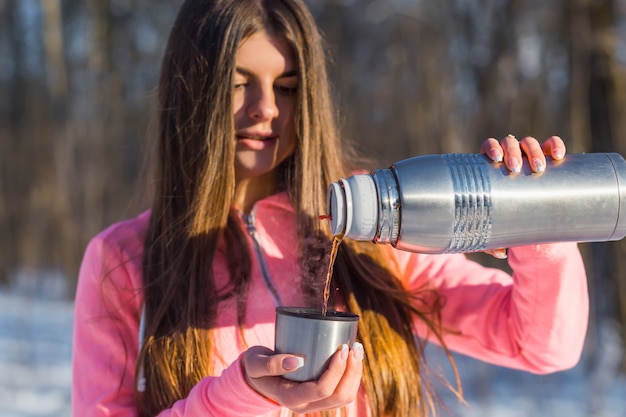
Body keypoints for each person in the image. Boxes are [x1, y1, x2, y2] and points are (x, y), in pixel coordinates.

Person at [71, 0, 588, 416]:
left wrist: (537, 225)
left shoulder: (377, 229)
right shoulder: (124, 260)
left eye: (288, 87)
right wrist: (241, 398)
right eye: (236, 83)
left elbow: (542, 346)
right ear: (192, 89)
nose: (266, 108)